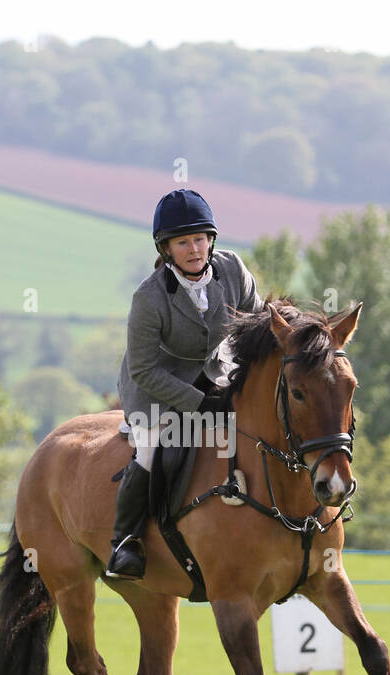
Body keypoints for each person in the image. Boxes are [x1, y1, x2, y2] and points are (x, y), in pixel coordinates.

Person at [106, 188, 264, 579]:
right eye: (183, 242)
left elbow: (258, 328)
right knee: (152, 447)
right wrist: (198, 403)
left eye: (200, 238)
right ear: (166, 248)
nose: (194, 249)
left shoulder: (232, 271)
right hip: (156, 385)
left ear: (211, 240)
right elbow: (144, 370)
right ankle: (124, 542)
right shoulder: (149, 297)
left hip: (214, 373)